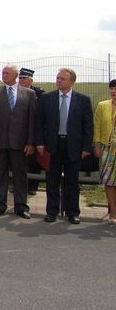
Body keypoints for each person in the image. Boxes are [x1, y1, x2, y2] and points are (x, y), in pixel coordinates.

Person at [35, 68, 93, 224]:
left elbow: (88, 126)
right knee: (52, 180)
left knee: (72, 181)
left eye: (62, 78)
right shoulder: (47, 98)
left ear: (71, 82)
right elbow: (39, 123)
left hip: (73, 146)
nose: (58, 80)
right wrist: (39, 143)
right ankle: (51, 211)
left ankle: (72, 212)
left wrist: (87, 147)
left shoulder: (83, 100)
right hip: (52, 145)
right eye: (57, 77)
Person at [0, 64, 36, 219]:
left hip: (20, 144)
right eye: (3, 73)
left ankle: (21, 206)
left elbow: (32, 120)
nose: (4, 75)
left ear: (15, 75)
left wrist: (30, 142)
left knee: (20, 176)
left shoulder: (29, 94)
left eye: (7, 73)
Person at [19, 68, 44, 195]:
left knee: (34, 162)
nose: (21, 80)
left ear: (31, 79)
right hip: (19, 133)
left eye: (24, 78)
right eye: (20, 78)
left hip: (34, 132)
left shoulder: (39, 93)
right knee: (20, 162)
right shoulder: (16, 92)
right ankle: (20, 185)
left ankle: (33, 186)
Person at [94, 79, 116, 224]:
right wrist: (96, 145)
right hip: (107, 149)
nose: (113, 91)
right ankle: (113, 214)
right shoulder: (102, 106)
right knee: (109, 182)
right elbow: (97, 126)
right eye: (111, 88)